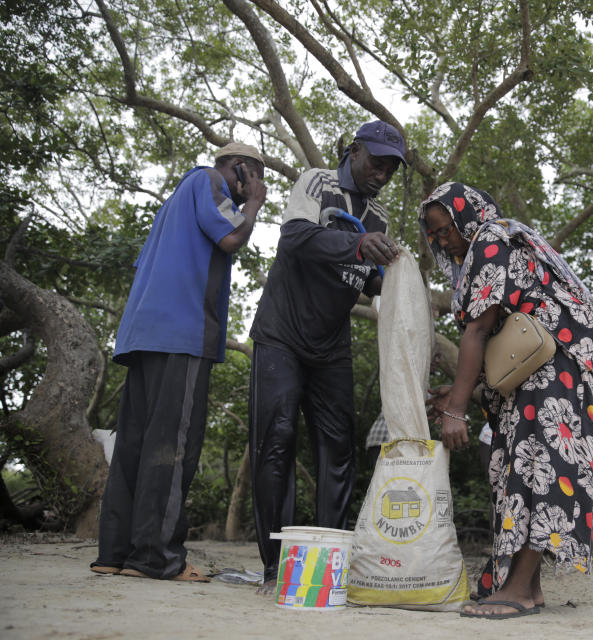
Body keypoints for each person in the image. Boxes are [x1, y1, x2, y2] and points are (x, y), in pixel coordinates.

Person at [420, 182, 593, 619]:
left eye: (443, 228)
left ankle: (516, 590)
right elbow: (506, 347)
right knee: (522, 466)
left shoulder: (491, 238)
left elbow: (478, 329)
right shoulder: (503, 241)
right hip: (549, 368)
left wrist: (455, 409)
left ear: (465, 216)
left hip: (562, 365)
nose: (440, 239)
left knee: (542, 466)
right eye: (432, 235)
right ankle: (528, 587)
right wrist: (462, 394)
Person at [91, 142, 267, 581]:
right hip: (182, 332)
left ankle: (115, 553)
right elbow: (230, 238)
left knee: (134, 445)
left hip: (144, 333)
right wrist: (256, 203)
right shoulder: (208, 181)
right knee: (172, 447)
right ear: (240, 168)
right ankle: (156, 557)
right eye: (254, 175)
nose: (255, 187)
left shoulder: (173, 203)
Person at [247, 121, 405, 594]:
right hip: (282, 336)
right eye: (377, 161)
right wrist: (356, 244)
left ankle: (329, 560)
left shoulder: (377, 218)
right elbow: (294, 237)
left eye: (392, 168)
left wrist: (398, 284)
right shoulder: (317, 182)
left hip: (331, 346)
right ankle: (277, 564)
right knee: (276, 439)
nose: (383, 173)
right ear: (354, 150)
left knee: (338, 450)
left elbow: (369, 279)